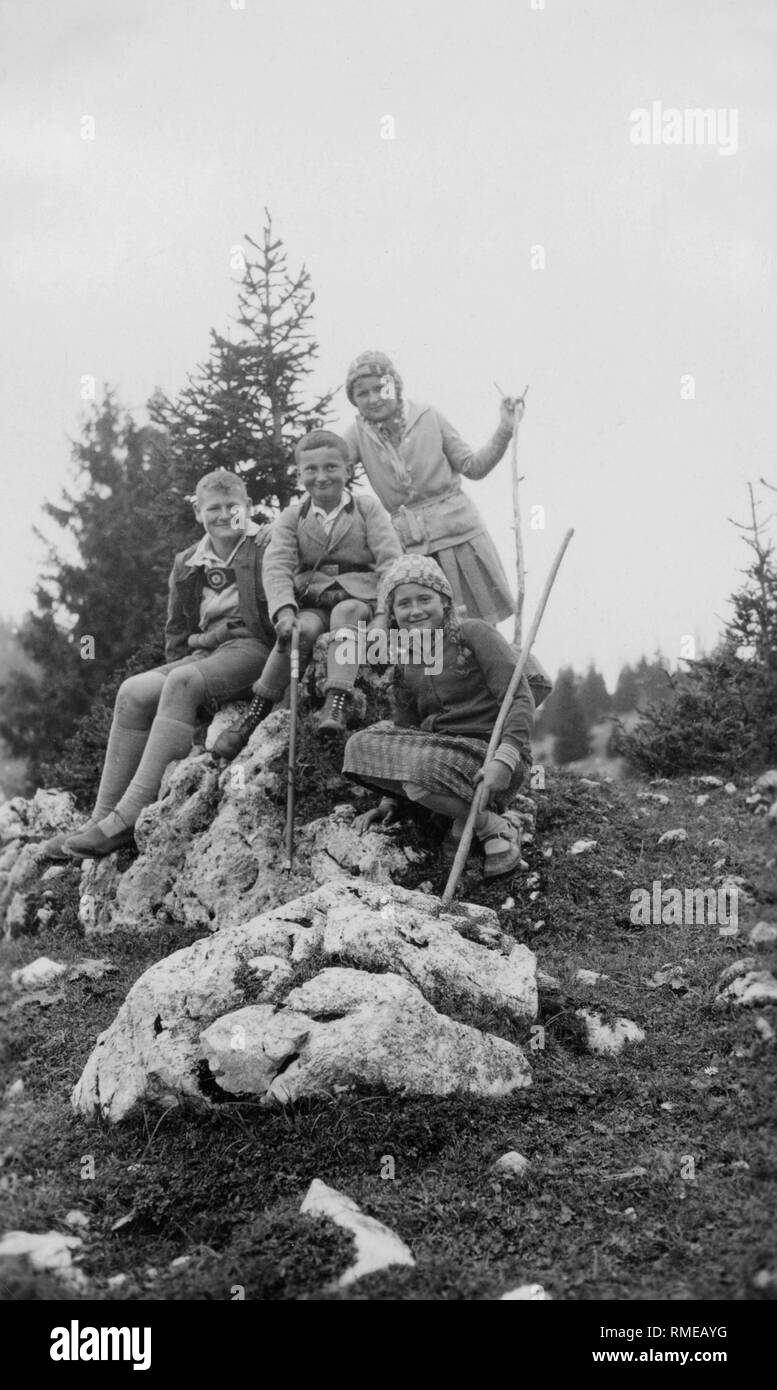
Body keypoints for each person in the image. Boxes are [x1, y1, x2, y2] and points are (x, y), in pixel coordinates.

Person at [42, 469, 275, 860]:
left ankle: (127, 818)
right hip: (205, 654)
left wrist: (189, 684)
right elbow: (177, 632)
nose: (224, 516)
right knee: (133, 691)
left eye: (233, 507)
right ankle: (99, 817)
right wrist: (178, 698)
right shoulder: (188, 561)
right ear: (198, 512)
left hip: (252, 647)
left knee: (183, 680)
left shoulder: (265, 543)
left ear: (248, 508)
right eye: (213, 508)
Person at [211, 428, 402, 759]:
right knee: (302, 630)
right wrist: (284, 611)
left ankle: (337, 700)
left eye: (331, 467)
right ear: (299, 475)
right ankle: (258, 709)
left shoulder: (366, 509)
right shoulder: (292, 517)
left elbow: (390, 562)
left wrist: (384, 615)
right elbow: (277, 566)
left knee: (348, 614)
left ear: (348, 470)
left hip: (359, 598)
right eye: (310, 470)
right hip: (314, 600)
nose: (321, 477)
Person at [342, 555, 535, 879]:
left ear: (444, 602)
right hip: (439, 754)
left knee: (420, 774)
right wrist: (390, 798)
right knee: (358, 746)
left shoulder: (474, 633)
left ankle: (491, 827)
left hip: (490, 756)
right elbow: (406, 729)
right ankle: (462, 814)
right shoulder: (406, 658)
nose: (415, 610)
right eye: (404, 604)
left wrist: (504, 759)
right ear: (392, 613)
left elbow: (519, 697)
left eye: (425, 599)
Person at [342, 349, 522, 626]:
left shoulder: (428, 416)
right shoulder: (357, 434)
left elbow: (473, 466)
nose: (374, 398)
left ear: (395, 385)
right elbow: (333, 469)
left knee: (476, 627)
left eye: (380, 388)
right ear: (354, 400)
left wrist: (505, 429)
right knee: (426, 632)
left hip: (459, 536)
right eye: (363, 393)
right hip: (409, 550)